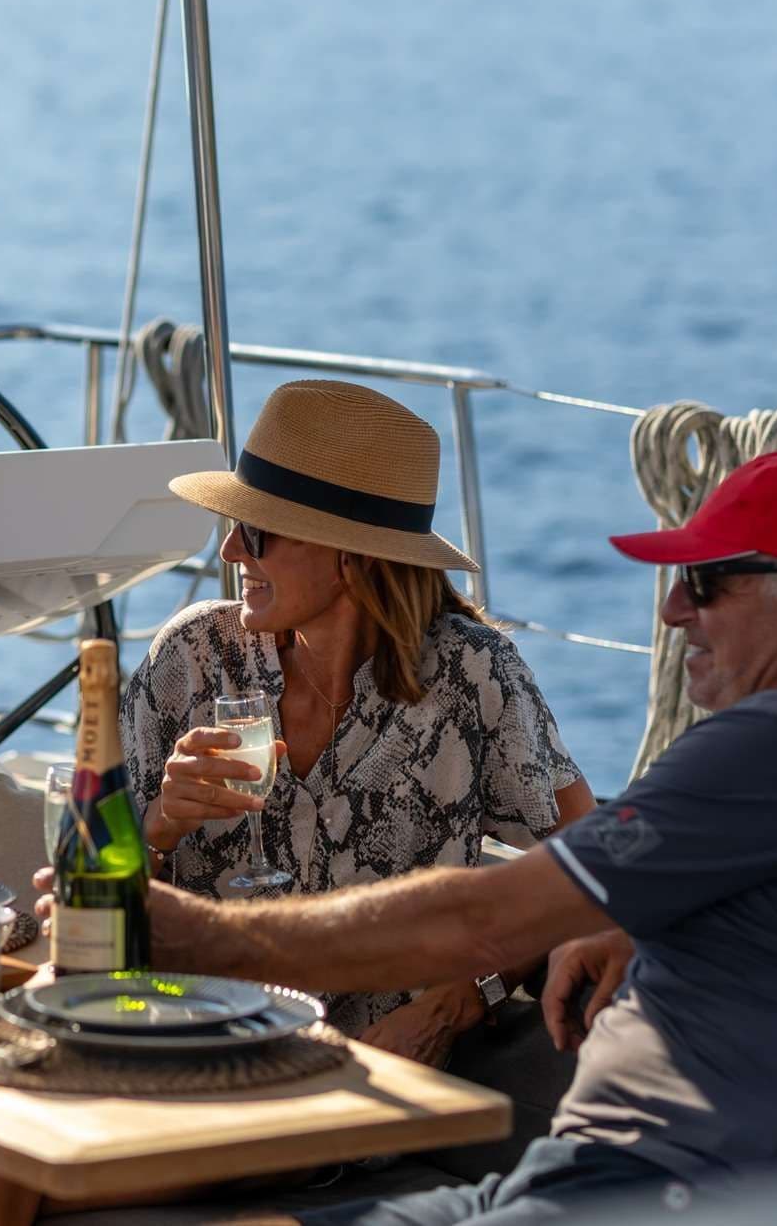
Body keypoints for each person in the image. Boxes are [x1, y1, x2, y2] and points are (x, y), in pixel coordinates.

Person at [69, 445, 777, 1224]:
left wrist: (189, 931)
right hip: (589, 1173)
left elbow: (485, 920)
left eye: (704, 583)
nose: (671, 613)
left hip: (657, 1188)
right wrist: (631, 909)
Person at [130, 380, 595, 1059]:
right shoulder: (192, 659)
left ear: (349, 554)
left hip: (383, 1079)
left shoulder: (471, 676)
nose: (231, 550)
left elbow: (583, 873)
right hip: (197, 1051)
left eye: (255, 529)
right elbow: (89, 897)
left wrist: (464, 998)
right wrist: (160, 825)